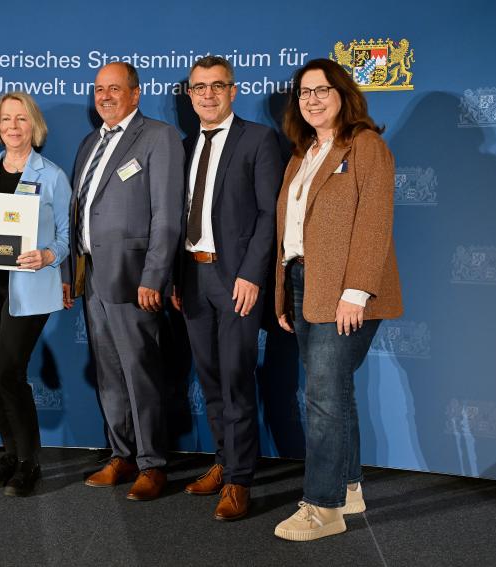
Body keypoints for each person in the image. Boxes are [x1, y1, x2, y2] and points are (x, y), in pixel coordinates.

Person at [272, 58, 403, 540]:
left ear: (344, 94)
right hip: (304, 284)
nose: (312, 99)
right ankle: (347, 488)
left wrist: (356, 293)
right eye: (304, 93)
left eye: (322, 90)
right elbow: (290, 232)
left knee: (323, 397)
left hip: (347, 291)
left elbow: (374, 221)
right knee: (334, 394)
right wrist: (285, 293)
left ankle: (322, 507)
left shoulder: (365, 145)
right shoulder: (302, 154)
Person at [62, 62, 184, 501]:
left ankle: (153, 463)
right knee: (109, 372)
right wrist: (71, 274)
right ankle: (122, 453)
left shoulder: (158, 137)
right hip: (93, 275)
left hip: (135, 280)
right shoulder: (89, 142)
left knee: (141, 371)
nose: (105, 96)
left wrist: (155, 275)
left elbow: (167, 215)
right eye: (99, 89)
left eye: (115, 89)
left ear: (135, 94)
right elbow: (77, 215)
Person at [171, 56, 282, 520]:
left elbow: (268, 214)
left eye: (218, 86)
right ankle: (223, 461)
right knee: (211, 379)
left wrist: (253, 274)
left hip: (236, 278)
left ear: (233, 91)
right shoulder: (185, 144)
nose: (209, 94)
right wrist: (175, 277)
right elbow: (177, 219)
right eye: (200, 87)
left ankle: (240, 481)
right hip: (193, 277)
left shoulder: (258, 140)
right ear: (190, 95)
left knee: (236, 380)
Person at [0, 92, 70, 496]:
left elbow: (67, 237)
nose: (12, 126)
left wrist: (46, 255)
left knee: (9, 371)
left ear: (33, 126)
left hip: (29, 289)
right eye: (6, 119)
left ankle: (29, 462)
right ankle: (10, 453)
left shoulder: (53, 176)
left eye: (21, 119)